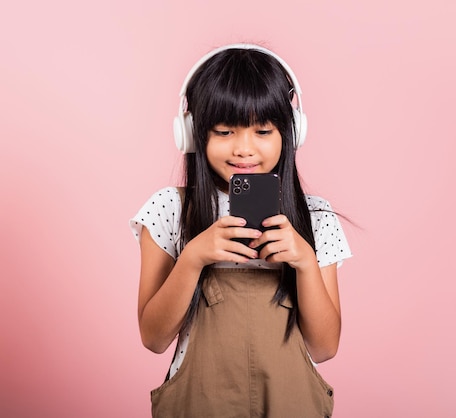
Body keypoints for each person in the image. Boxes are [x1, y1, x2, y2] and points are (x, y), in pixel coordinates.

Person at [130, 43, 352, 418]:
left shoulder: (315, 216)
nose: (244, 149)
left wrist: (305, 262)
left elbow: (324, 347)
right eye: (224, 131)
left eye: (263, 131)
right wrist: (194, 257)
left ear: (291, 133)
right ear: (193, 134)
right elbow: (153, 339)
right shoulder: (170, 209)